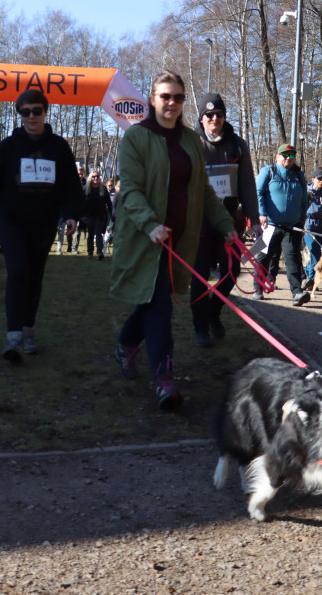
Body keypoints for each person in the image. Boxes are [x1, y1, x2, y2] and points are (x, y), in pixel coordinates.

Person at [109, 71, 237, 410]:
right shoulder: (136, 138)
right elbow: (131, 190)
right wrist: (150, 224)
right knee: (160, 307)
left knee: (153, 301)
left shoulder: (191, 141)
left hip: (180, 241)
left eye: (178, 97)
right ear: (152, 99)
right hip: (146, 238)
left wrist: (225, 223)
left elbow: (204, 191)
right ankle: (165, 378)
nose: (171, 103)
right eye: (165, 96)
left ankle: (125, 345)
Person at [0, 90, 83, 363]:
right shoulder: (7, 147)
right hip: (11, 221)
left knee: (34, 277)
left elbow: (71, 186)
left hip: (44, 223)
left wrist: (71, 215)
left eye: (36, 111)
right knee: (18, 272)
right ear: (19, 115)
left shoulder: (59, 147)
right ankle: (14, 337)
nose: (31, 116)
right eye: (25, 112)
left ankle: (29, 331)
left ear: (45, 112)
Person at [189, 92, 261, 347]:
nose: (215, 119)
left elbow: (247, 186)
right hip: (198, 221)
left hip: (228, 220)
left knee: (232, 271)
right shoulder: (190, 143)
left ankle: (213, 312)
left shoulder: (238, 145)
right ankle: (200, 326)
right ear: (201, 117)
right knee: (198, 275)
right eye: (209, 115)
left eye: (219, 114)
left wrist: (254, 218)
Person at [255, 143, 311, 306]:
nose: (288, 158)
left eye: (291, 155)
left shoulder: (299, 175)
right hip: (269, 224)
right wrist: (261, 214)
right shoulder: (268, 171)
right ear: (277, 156)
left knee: (292, 257)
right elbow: (258, 192)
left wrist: (301, 218)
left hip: (292, 225)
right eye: (285, 155)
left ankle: (297, 292)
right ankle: (257, 287)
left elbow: (304, 199)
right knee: (263, 256)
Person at [80, 170, 114, 260]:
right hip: (89, 216)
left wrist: (112, 213)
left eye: (97, 176)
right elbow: (80, 202)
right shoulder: (86, 189)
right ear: (90, 178)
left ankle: (99, 253)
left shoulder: (103, 188)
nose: (96, 178)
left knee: (99, 233)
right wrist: (81, 215)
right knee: (90, 234)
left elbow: (109, 203)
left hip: (100, 215)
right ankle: (90, 252)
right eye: (94, 176)